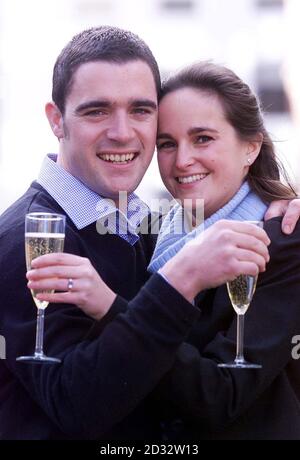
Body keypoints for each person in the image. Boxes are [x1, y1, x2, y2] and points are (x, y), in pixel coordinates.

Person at [1, 26, 298, 441]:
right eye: (97, 111)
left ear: (252, 146)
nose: (122, 132)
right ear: (56, 120)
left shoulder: (152, 230)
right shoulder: (29, 240)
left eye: (141, 111)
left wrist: (281, 201)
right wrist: (183, 277)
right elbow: (76, 404)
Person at [145, 61, 300, 440]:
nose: (182, 161)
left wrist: (117, 316)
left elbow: (222, 396)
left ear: (251, 146)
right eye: (167, 143)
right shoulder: (152, 237)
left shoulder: (282, 241)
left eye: (203, 139)